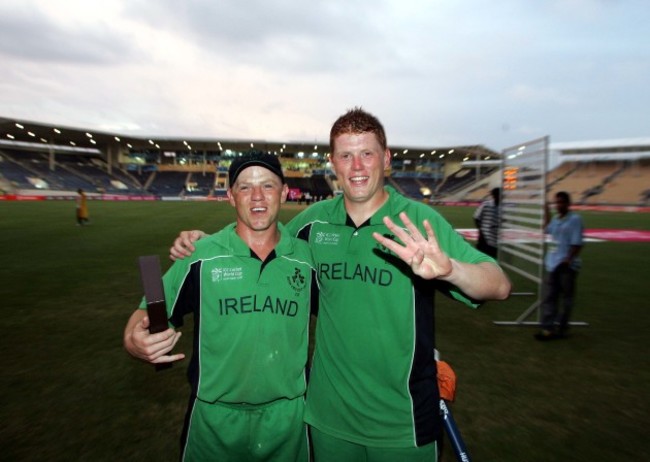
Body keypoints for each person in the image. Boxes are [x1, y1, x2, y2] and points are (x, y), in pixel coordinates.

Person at [170, 108, 512, 462]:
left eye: (367, 153)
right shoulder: (313, 224)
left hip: (402, 422)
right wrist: (205, 242)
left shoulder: (418, 220)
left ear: (386, 158)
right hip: (326, 420)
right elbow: (261, 241)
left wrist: (450, 270)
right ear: (333, 162)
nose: (358, 167)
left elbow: (498, 284)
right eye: (346, 156)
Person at [124, 153, 317, 462]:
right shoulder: (198, 256)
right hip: (213, 423)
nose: (257, 196)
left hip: (288, 421)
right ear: (230, 196)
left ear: (283, 193)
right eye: (244, 187)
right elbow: (147, 311)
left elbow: (345, 312)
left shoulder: (307, 259)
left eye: (267, 186)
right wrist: (134, 340)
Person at [535, 191, 584, 341]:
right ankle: (548, 327)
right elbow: (547, 229)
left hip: (566, 266)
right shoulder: (556, 219)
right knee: (550, 297)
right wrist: (546, 211)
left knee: (566, 299)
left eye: (562, 202)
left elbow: (577, 243)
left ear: (568, 204)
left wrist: (568, 260)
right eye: (557, 202)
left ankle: (562, 328)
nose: (559, 205)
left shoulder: (575, 220)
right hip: (552, 264)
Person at [473, 187, 501, 258]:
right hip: (484, 235)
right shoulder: (486, 205)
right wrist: (480, 230)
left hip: (495, 235)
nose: (497, 196)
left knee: (494, 255)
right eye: (496, 194)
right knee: (481, 254)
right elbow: (476, 217)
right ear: (493, 195)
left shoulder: (502, 207)